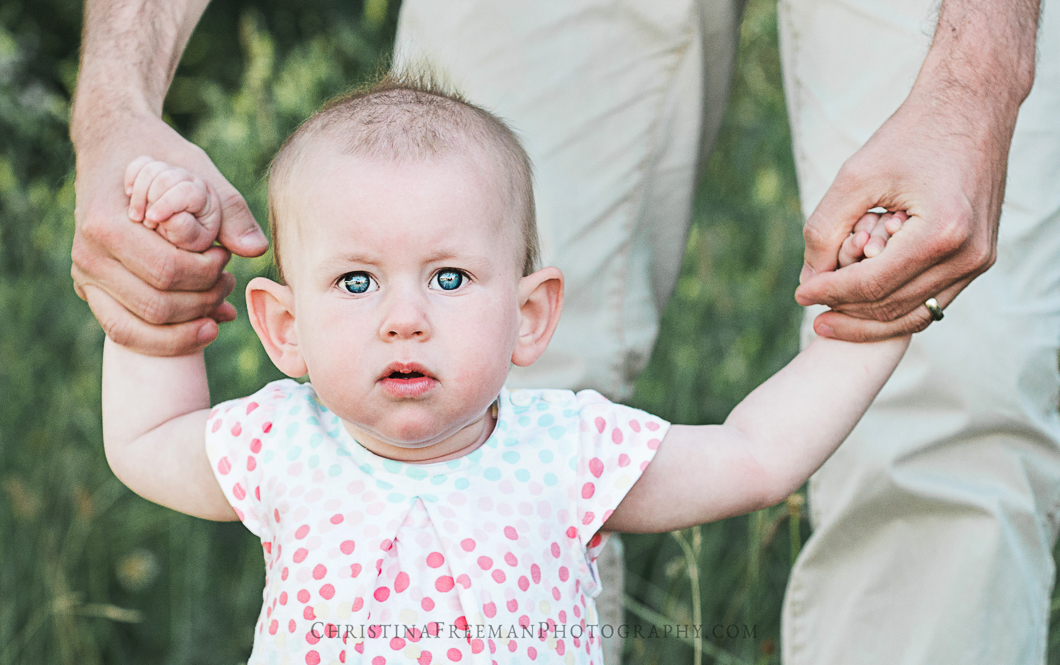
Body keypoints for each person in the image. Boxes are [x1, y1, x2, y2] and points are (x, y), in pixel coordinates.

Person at [71, 0, 1053, 663]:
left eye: (450, 278)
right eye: (357, 280)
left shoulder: (568, 451)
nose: (404, 314)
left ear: (531, 314)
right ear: (283, 325)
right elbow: (147, 441)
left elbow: (754, 455)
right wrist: (155, 297)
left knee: (952, 413)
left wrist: (866, 322)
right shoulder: (279, 444)